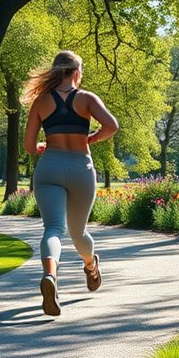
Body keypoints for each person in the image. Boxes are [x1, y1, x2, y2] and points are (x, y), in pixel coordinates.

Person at [23, 51, 119, 316]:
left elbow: (29, 146)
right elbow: (112, 126)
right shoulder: (86, 98)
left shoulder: (41, 101)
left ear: (56, 71)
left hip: (49, 168)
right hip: (80, 168)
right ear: (76, 71)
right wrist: (92, 138)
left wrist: (42, 146)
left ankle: (50, 277)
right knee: (78, 232)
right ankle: (90, 266)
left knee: (53, 229)